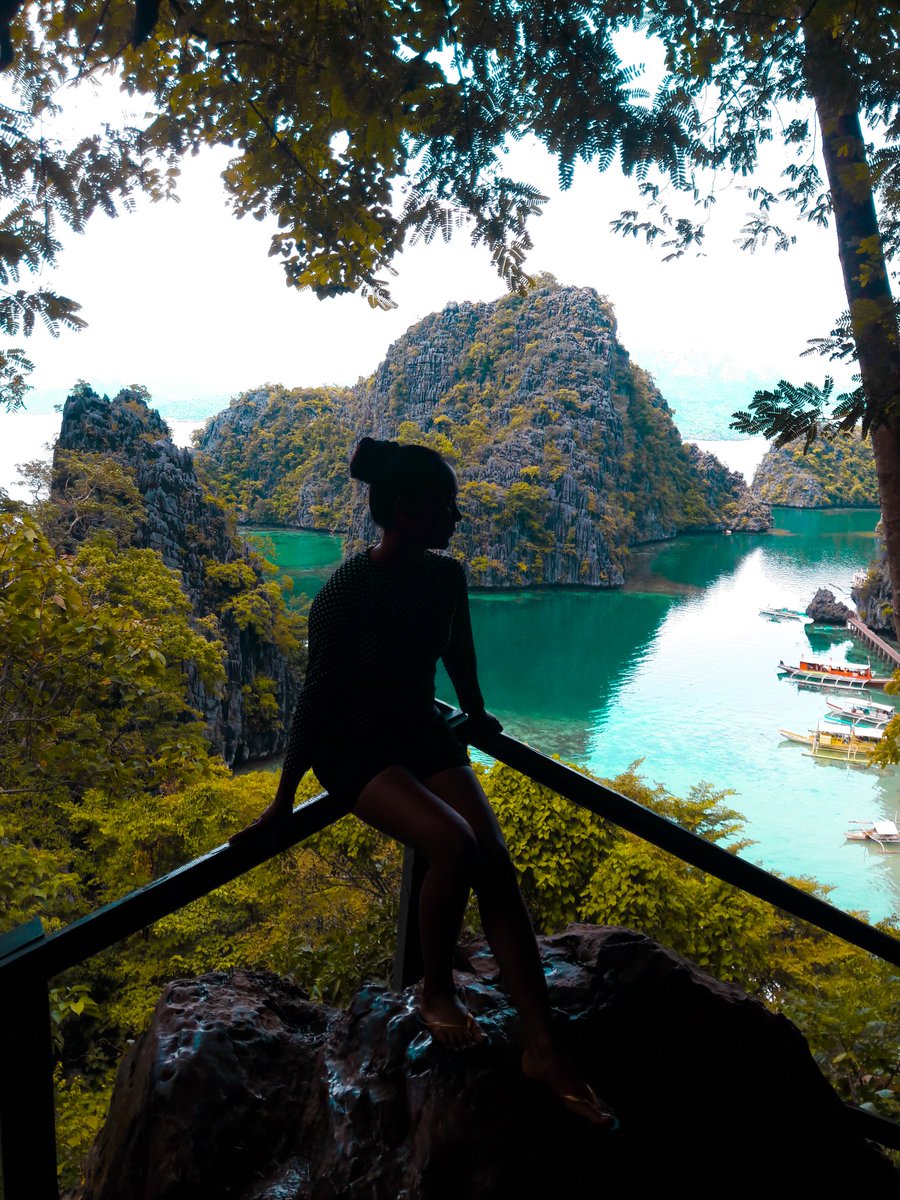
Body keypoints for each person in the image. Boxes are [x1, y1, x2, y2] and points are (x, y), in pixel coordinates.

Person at [235, 436, 617, 1127]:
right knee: (454, 845)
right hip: (352, 749)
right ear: (407, 512)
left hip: (418, 728)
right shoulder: (345, 593)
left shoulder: (446, 577)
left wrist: (474, 714)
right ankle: (435, 990)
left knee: (494, 861)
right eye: (445, 505)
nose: (458, 517)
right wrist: (283, 799)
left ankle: (543, 1047)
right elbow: (315, 703)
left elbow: (457, 652)